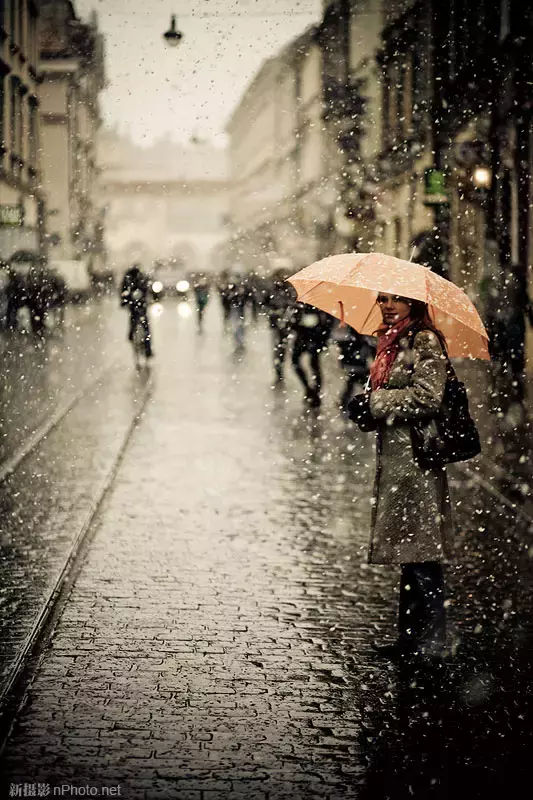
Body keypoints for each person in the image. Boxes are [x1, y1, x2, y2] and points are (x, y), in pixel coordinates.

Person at [368, 292, 454, 661]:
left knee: (421, 551)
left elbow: (429, 397)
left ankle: (435, 640)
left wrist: (376, 402)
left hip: (417, 459)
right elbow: (389, 392)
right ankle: (407, 638)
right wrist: (368, 404)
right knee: (410, 549)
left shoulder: (423, 340)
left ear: (414, 304)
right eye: (382, 300)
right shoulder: (392, 341)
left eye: (396, 300)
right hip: (398, 459)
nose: (387, 306)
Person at [290, 302, 334, 407]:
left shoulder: (321, 306)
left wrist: (322, 334)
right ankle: (310, 389)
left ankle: (314, 392)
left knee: (314, 364)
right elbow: (293, 322)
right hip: (304, 337)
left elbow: (328, 323)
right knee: (299, 362)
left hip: (314, 337)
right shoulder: (301, 305)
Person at [335, 325, 376, 410]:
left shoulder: (349, 343)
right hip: (360, 369)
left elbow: (342, 358)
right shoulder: (364, 344)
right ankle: (369, 403)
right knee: (364, 386)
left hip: (354, 369)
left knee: (351, 386)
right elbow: (372, 356)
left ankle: (343, 402)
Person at [265, 271, 295, 383]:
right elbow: (265, 304)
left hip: (286, 324)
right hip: (275, 324)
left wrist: (287, 313)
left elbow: (293, 304)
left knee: (284, 348)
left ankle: (280, 367)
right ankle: (278, 370)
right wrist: (274, 312)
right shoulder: (272, 289)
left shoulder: (290, 289)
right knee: (277, 348)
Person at [120, 264, 153, 358]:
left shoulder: (133, 278)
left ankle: (136, 338)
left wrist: (124, 301)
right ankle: (147, 348)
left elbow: (123, 291)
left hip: (137, 304)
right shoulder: (135, 278)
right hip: (138, 305)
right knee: (142, 324)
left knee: (137, 322)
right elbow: (123, 291)